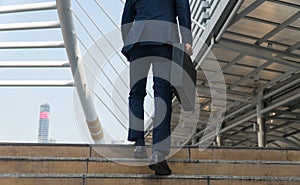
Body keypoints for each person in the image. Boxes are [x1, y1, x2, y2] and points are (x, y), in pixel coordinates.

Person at [121, 0, 193, 175]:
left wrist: (130, 41)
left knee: (136, 93)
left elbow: (126, 20)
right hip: (165, 41)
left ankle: (138, 143)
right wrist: (187, 41)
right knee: (162, 95)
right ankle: (158, 154)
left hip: (138, 42)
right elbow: (183, 10)